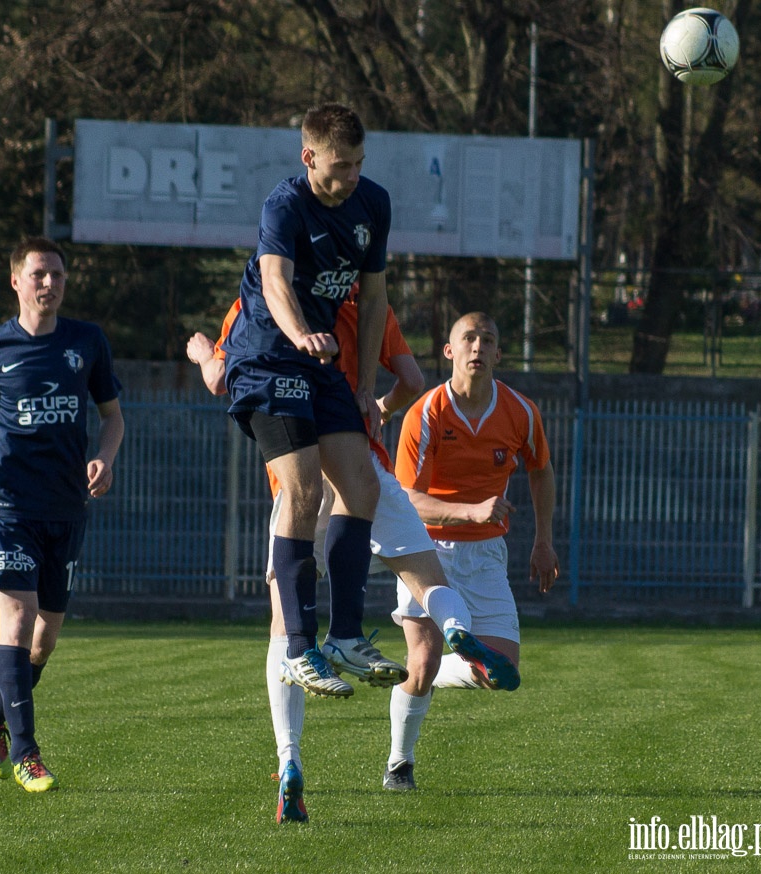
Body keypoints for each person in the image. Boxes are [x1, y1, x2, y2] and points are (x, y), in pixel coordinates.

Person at [188, 299, 516, 822]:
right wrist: (377, 407)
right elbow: (409, 378)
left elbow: (221, 379)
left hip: (298, 483)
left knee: (285, 625)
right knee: (428, 581)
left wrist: (203, 351)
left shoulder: (259, 298)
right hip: (365, 467)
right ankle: (452, 628)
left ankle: (290, 759)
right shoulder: (366, 303)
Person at [0, 236, 125, 793]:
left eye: (57, 275)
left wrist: (104, 459)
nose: (49, 284)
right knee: (17, 617)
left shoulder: (87, 342)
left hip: (66, 508)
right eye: (38, 274)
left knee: (44, 641)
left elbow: (112, 418)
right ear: (16, 281)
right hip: (7, 504)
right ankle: (27, 754)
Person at [220, 102, 404, 702]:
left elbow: (373, 300)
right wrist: (300, 333)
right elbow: (274, 279)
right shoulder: (285, 204)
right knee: (302, 491)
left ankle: (346, 636)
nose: (349, 176)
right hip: (269, 358)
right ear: (309, 157)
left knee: (362, 487)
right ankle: (299, 647)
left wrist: (361, 383)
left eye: (357, 164)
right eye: (339, 165)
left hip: (323, 363)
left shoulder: (372, 203)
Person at [385, 312, 559, 791]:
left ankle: (444, 662)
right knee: (419, 663)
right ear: (449, 350)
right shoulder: (426, 413)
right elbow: (406, 499)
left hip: (486, 555)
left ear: (499, 354)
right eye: (468, 338)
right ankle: (399, 765)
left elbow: (541, 470)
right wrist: (470, 510)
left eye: (487, 339)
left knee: (504, 674)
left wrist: (543, 540)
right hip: (425, 551)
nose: (477, 346)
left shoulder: (521, 413)